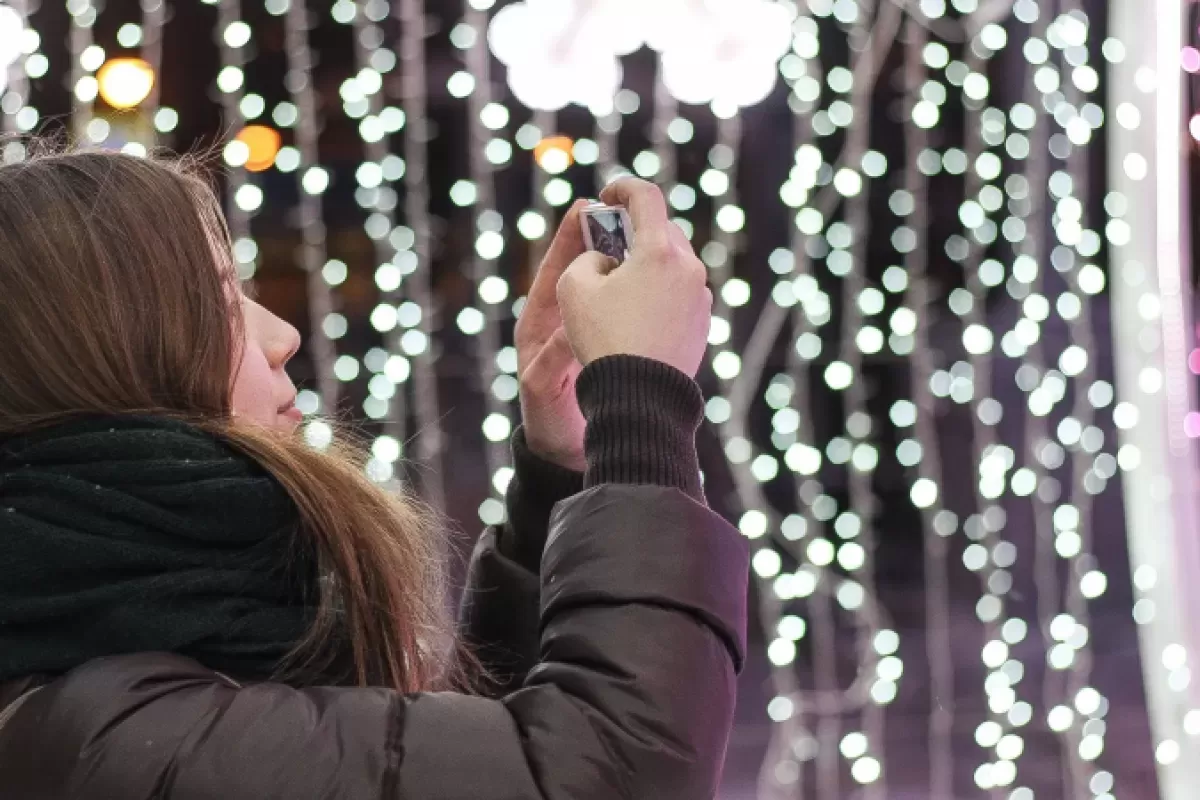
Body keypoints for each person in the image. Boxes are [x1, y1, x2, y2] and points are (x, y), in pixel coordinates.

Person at [0, 149, 748, 799]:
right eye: (226, 306)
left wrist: (565, 467)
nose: (281, 336)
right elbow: (606, 776)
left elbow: (442, 764)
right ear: (121, 364)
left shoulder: (124, 648)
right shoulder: (99, 740)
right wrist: (641, 400)